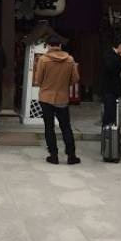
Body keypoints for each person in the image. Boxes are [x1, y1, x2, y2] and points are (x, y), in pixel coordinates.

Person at [34, 35, 81, 165]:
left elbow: (38, 80)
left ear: (48, 45)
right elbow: (75, 79)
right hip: (62, 97)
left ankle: (53, 155)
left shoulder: (43, 60)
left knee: (49, 127)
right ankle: (71, 155)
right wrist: (65, 84)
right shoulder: (70, 60)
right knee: (66, 127)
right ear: (60, 45)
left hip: (46, 97)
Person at [99, 35, 121, 127]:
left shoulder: (115, 55)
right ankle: (106, 132)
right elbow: (113, 69)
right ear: (120, 46)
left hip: (113, 88)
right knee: (109, 112)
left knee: (113, 111)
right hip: (108, 88)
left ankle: (110, 131)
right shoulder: (109, 54)